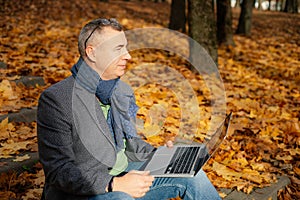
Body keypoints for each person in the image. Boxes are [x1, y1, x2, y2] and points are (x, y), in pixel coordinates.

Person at [37, 18, 221, 200]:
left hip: (125, 174)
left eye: (125, 47)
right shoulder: (57, 99)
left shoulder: (121, 90)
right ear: (92, 53)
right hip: (82, 191)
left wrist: (162, 156)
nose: (128, 55)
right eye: (118, 49)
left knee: (193, 176)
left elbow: (130, 143)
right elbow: (58, 170)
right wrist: (113, 184)